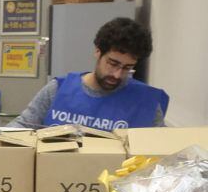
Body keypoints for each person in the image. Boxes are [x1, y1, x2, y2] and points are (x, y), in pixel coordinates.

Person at [12, 17, 168, 130]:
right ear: (98, 52)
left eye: (127, 68)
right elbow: (21, 126)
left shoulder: (146, 102)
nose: (117, 75)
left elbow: (162, 149)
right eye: (113, 64)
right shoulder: (58, 90)